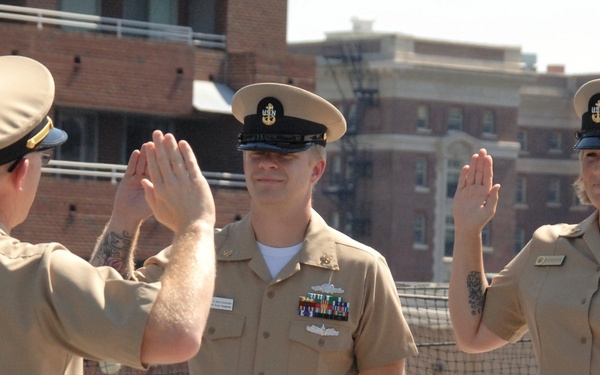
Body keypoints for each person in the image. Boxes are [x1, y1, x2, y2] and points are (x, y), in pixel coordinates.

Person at [92, 82, 418, 374]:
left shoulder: (361, 271)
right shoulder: (198, 258)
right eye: (257, 152)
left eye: (286, 154)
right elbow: (102, 316)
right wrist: (124, 219)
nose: (267, 163)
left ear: (317, 169)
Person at [0, 55, 216, 374]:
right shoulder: (36, 275)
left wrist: (124, 221)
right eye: (43, 158)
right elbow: (176, 332)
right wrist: (196, 225)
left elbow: (94, 334)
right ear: (22, 171)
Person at [448, 78, 600, 375]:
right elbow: (473, 335)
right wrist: (468, 232)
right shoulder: (549, 245)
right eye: (591, 155)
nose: (596, 169)